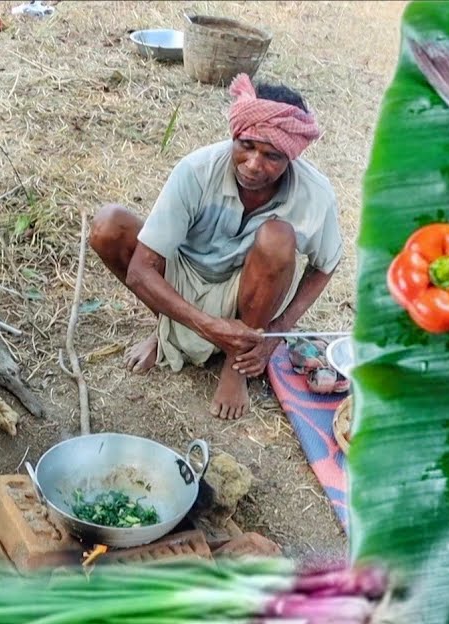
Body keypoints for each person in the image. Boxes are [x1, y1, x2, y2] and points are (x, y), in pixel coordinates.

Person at [89, 74, 342, 420]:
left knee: (277, 239)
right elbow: (140, 271)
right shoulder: (196, 170)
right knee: (108, 225)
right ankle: (166, 333)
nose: (254, 165)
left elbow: (324, 266)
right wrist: (207, 325)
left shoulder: (314, 193)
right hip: (185, 274)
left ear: (291, 158)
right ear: (234, 135)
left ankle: (234, 369)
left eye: (272, 156)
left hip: (248, 290)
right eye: (247, 146)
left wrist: (275, 332)